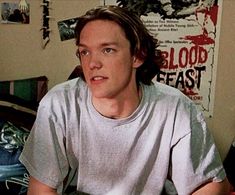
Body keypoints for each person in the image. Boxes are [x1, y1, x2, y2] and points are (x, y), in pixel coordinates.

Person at [19, 5, 230, 195]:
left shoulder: (176, 108)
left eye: (107, 50)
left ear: (138, 55)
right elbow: (40, 190)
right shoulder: (58, 104)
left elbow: (212, 184)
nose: (92, 63)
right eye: (85, 51)